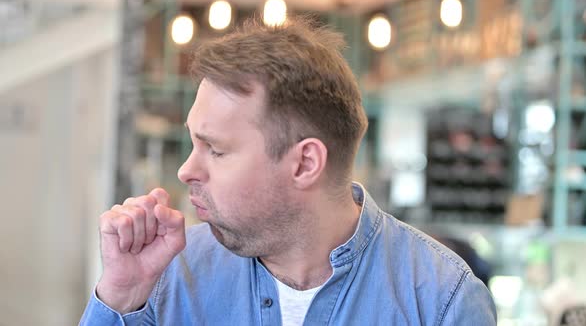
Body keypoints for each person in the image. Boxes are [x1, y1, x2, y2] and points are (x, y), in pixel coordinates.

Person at [80, 17, 496, 325]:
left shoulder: (442, 300)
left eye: (216, 150)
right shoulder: (170, 275)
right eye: (193, 143)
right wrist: (121, 296)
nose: (188, 170)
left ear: (305, 163)